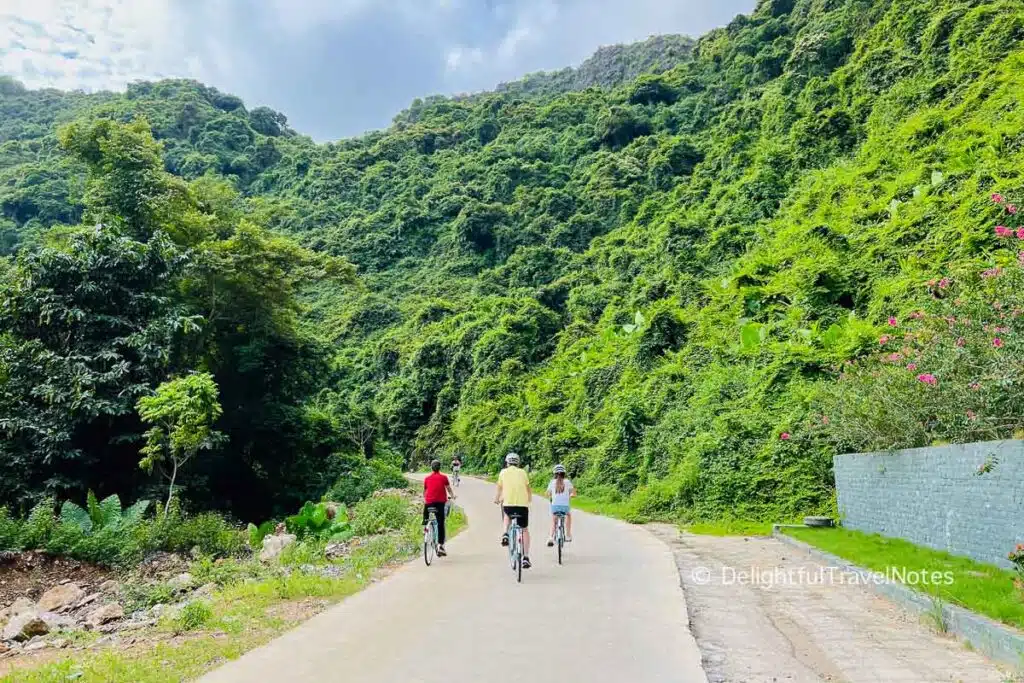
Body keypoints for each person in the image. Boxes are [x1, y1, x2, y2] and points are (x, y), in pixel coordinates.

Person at [494, 452, 533, 569]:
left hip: (509, 504)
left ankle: (505, 533)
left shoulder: (503, 472)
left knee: (507, 515)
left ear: (507, 463)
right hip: (522, 505)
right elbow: (528, 489)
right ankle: (526, 557)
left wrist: (497, 499)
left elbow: (500, 489)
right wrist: (529, 500)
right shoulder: (523, 473)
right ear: (518, 463)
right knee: (525, 529)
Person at [423, 459, 455, 556]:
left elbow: (425, 492)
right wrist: (453, 496)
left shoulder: (427, 479)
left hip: (429, 503)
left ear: (431, 468)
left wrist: (424, 499)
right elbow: (449, 489)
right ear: (439, 468)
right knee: (440, 523)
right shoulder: (444, 477)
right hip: (440, 503)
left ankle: (425, 526)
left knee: (426, 513)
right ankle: (440, 545)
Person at [546, 464, 576, 546]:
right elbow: (573, 493)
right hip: (565, 507)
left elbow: (547, 493)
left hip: (555, 507)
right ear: (564, 473)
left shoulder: (552, 482)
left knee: (553, 520)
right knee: (568, 515)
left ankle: (551, 537)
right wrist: (571, 495)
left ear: (554, 474)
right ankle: (568, 535)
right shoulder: (568, 482)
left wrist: (551, 496)